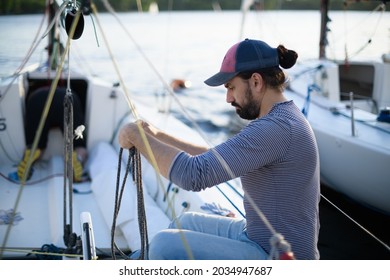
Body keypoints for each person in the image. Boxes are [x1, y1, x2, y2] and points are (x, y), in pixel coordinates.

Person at [118, 39, 320, 260]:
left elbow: (193, 175)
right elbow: (214, 157)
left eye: (231, 87)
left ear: (255, 81)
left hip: (278, 256)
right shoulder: (281, 118)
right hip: (257, 235)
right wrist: (156, 135)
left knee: (163, 246)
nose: (228, 98)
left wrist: (135, 136)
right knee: (184, 223)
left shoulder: (276, 128)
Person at [15, 86, 87, 182]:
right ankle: (77, 158)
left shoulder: (36, 90)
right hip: (67, 98)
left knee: (36, 145)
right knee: (78, 145)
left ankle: (31, 154)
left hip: (37, 99)